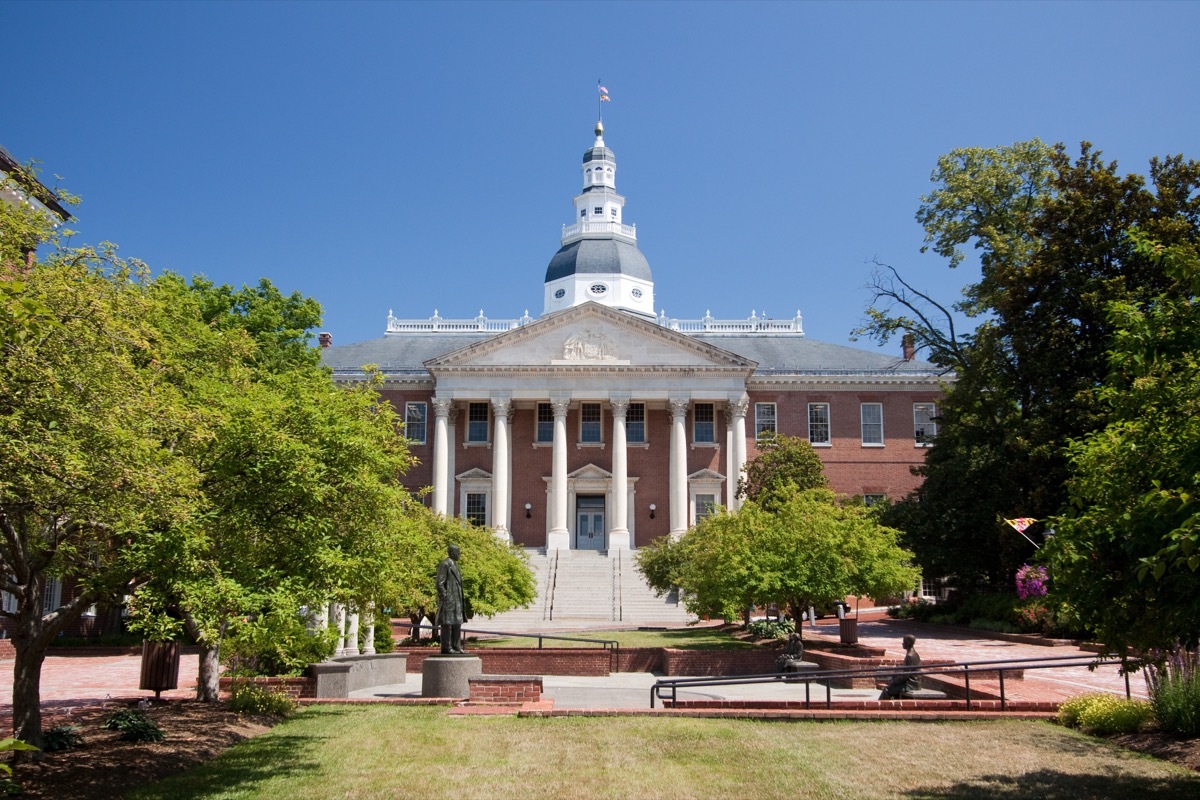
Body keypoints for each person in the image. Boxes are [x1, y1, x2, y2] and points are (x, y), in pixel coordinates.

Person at [436, 544, 467, 654]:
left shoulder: (455, 565)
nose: (459, 554)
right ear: (452, 553)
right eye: (458, 552)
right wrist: (445, 597)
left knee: (457, 623)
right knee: (447, 624)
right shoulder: (445, 564)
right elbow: (439, 583)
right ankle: (447, 647)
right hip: (449, 600)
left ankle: (456, 646)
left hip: (457, 600)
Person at [879, 634, 921, 699]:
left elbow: (905, 676)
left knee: (887, 690)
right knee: (893, 688)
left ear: (908, 643)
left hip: (911, 684)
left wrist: (894, 682)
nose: (902, 643)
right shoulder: (915, 654)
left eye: (904, 641)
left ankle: (880, 707)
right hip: (914, 683)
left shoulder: (910, 656)